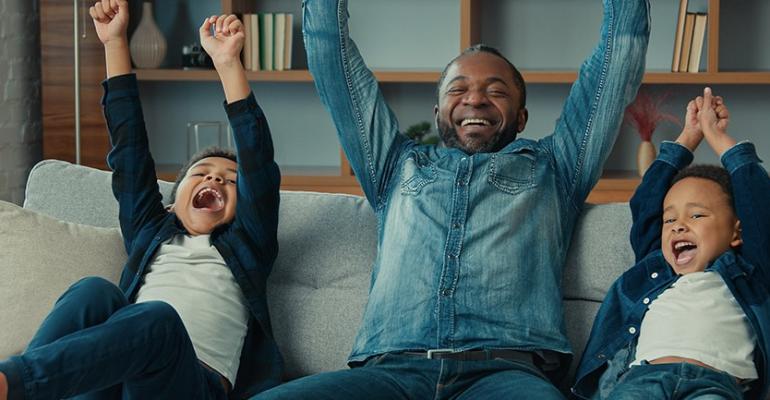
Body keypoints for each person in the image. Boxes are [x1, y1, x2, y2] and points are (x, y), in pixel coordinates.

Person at [253, 0, 650, 398]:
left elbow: (618, 59)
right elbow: (331, 61)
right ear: (439, 110)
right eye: (457, 90)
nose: (474, 100)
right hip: (390, 372)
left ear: (521, 117)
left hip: (504, 374)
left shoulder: (556, 167)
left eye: (495, 91)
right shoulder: (394, 165)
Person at [0, 1, 282, 399]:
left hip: (189, 385)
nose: (216, 178)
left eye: (230, 181)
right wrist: (115, 42)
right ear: (171, 202)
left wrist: (228, 64)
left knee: (158, 319)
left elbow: (257, 162)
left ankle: (12, 382)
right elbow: (129, 152)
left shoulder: (248, 243)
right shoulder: (152, 231)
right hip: (119, 383)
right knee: (95, 292)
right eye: (201, 174)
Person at [572, 87, 770, 400]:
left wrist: (721, 141)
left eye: (697, 216)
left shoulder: (750, 273)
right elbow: (647, 202)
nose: (678, 225)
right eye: (670, 220)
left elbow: (760, 207)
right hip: (642, 379)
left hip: (714, 385)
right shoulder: (656, 268)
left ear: (736, 233)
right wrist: (687, 138)